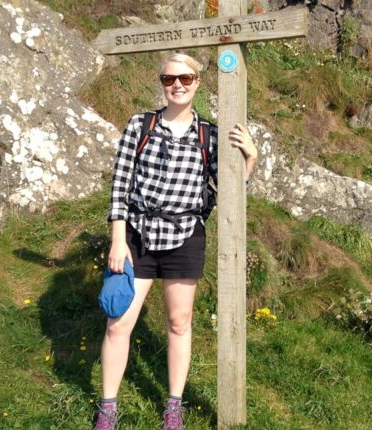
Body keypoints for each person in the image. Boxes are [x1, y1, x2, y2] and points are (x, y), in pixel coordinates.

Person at [95, 52, 258, 430]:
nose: (178, 85)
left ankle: (173, 407)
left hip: (186, 237)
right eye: (170, 79)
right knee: (118, 322)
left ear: (198, 82)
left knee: (179, 321)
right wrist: (118, 240)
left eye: (185, 78)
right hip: (137, 235)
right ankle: (107, 409)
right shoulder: (141, 125)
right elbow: (120, 185)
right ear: (162, 83)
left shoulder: (209, 135)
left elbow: (228, 190)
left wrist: (250, 158)